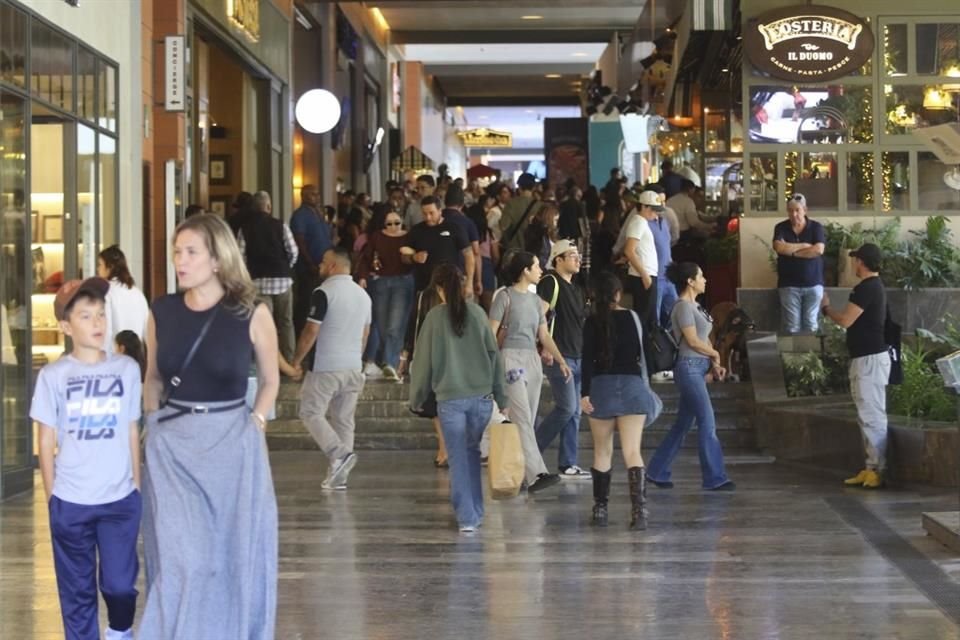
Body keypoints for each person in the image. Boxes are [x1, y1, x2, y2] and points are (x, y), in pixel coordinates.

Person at [141, 213, 279, 639]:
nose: (180, 261)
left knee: (230, 556)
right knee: (183, 558)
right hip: (173, 447)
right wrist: (152, 426)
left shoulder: (252, 313)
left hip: (231, 446)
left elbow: (272, 381)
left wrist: (254, 423)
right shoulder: (161, 311)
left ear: (218, 259)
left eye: (190, 252)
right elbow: (153, 378)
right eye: (176, 252)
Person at [31, 277, 142, 640]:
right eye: (85, 316)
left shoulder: (126, 369)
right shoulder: (52, 376)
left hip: (118, 500)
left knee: (120, 586)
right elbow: (45, 440)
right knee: (76, 596)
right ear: (66, 326)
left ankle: (120, 630)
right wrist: (52, 498)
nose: (97, 323)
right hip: (71, 501)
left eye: (100, 314)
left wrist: (135, 488)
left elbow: (130, 430)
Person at [409, 264, 507, 532]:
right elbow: (494, 355)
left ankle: (467, 517)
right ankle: (475, 510)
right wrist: (502, 394)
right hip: (481, 398)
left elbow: (422, 363)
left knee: (459, 458)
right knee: (472, 453)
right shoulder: (477, 313)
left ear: (439, 289)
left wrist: (416, 396)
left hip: (451, 401)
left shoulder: (433, 319)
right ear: (464, 285)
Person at [580, 272, 661, 529]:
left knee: (602, 451)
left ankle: (600, 510)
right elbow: (646, 353)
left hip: (600, 388)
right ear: (617, 294)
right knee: (632, 451)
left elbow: (586, 361)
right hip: (632, 386)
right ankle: (640, 513)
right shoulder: (633, 318)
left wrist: (584, 394)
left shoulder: (591, 322)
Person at [645, 262, 735, 491]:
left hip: (698, 366)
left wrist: (714, 363)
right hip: (688, 368)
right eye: (701, 276)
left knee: (683, 424)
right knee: (707, 420)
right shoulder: (683, 307)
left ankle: (656, 471)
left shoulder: (696, 306)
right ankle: (715, 477)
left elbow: (704, 338)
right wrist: (715, 354)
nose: (705, 280)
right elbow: (692, 340)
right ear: (690, 281)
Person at [291, 247, 372, 490]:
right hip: (353, 366)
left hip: (327, 365)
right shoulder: (363, 295)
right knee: (344, 421)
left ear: (334, 266)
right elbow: (365, 333)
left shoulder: (323, 292)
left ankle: (338, 453)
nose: (320, 266)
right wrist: (356, 357)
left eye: (324, 262)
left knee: (310, 412)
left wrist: (296, 360)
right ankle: (339, 477)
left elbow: (311, 331)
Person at [489, 251, 569, 494]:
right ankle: (537, 474)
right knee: (522, 416)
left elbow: (543, 335)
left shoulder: (536, 302)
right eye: (536, 266)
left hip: (532, 360)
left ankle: (521, 473)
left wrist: (560, 359)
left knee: (527, 418)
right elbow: (490, 334)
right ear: (525, 270)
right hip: (510, 358)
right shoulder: (504, 297)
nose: (540, 270)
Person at [821, 243, 890, 489]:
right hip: (864, 358)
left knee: (872, 414)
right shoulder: (873, 287)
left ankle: (878, 469)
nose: (852, 264)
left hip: (870, 360)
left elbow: (846, 320)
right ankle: (871, 466)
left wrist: (827, 308)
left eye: (854, 260)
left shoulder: (867, 288)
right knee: (865, 413)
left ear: (860, 262)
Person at [535, 240, 589, 477]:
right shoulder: (550, 282)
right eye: (572, 255)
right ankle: (531, 451)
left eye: (578, 256)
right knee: (567, 408)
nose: (578, 259)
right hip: (560, 355)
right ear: (558, 259)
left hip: (577, 354)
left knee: (574, 412)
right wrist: (543, 345)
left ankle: (568, 463)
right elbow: (540, 316)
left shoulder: (577, 288)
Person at [237, 191, 299, 363]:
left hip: (257, 283)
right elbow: (293, 251)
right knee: (286, 322)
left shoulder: (245, 229)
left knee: (264, 325)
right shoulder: (280, 225)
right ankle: (288, 360)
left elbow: (240, 257)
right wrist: (286, 267)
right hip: (282, 282)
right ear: (269, 206)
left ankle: (265, 363)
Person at [357, 207, 415, 382]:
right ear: (383, 225)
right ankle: (387, 362)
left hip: (402, 281)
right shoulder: (376, 237)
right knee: (381, 325)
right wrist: (362, 276)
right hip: (381, 281)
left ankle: (390, 362)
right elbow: (366, 258)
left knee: (394, 325)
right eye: (389, 224)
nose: (393, 227)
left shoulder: (409, 237)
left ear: (402, 223)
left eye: (397, 223)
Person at [773, 193, 825, 334]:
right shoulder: (781, 228)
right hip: (789, 285)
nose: (794, 214)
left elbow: (818, 250)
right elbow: (778, 247)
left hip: (813, 284)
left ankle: (811, 356)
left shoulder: (816, 227)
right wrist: (805, 246)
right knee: (791, 327)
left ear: (805, 210)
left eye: (797, 210)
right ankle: (792, 356)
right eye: (790, 211)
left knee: (811, 324)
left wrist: (791, 251)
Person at [403, 195, 474, 297]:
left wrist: (469, 283)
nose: (428, 217)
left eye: (431, 213)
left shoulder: (454, 228)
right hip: (424, 285)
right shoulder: (416, 231)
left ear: (440, 211)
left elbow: (469, 255)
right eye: (424, 214)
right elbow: (403, 257)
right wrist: (414, 257)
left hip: (450, 284)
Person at [290, 184, 333, 337]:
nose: (317, 197)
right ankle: (301, 337)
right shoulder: (300, 215)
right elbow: (299, 241)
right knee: (307, 305)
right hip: (309, 268)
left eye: (317, 194)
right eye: (313, 194)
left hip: (324, 266)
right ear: (303, 196)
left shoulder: (318, 213)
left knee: (321, 303)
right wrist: (310, 264)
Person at [97, 245, 149, 353]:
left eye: (100, 265)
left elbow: (106, 330)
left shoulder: (106, 292)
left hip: (115, 357)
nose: (98, 269)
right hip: (136, 357)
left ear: (110, 267)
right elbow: (147, 331)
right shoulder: (138, 293)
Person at [621, 191, 661, 334]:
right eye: (653, 209)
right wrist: (645, 276)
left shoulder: (642, 222)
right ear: (644, 206)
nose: (656, 214)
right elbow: (629, 250)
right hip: (643, 276)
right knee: (644, 320)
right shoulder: (638, 222)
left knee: (648, 319)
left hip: (646, 275)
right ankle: (642, 351)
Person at [465, 194, 499, 309]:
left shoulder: (466, 233)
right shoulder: (489, 233)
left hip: (468, 266)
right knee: (489, 306)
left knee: (470, 306)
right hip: (486, 267)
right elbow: (496, 255)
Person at [499, 173, 541, 252]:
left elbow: (504, 226)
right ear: (533, 188)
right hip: (534, 250)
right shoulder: (540, 205)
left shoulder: (511, 203)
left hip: (515, 249)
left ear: (519, 187)